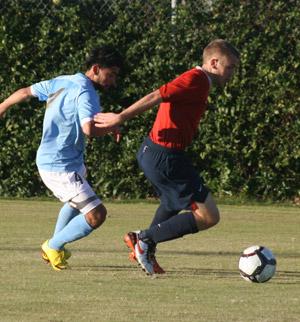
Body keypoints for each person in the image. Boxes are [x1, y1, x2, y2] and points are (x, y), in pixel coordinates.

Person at [94, 39, 240, 275]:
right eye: (230, 67)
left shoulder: (201, 81)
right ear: (214, 63)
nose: (232, 73)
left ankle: (143, 248)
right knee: (209, 216)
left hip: (159, 154)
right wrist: (120, 117)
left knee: (172, 202)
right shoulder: (195, 79)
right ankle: (144, 240)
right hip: (164, 156)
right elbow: (156, 96)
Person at [0, 45, 123, 271]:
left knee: (74, 203)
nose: (113, 81)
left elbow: (26, 91)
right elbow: (88, 130)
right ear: (96, 68)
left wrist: (3, 105)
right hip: (59, 166)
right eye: (111, 74)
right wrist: (113, 124)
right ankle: (53, 245)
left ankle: (53, 250)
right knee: (96, 214)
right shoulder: (86, 92)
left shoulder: (64, 81)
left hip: (66, 161)